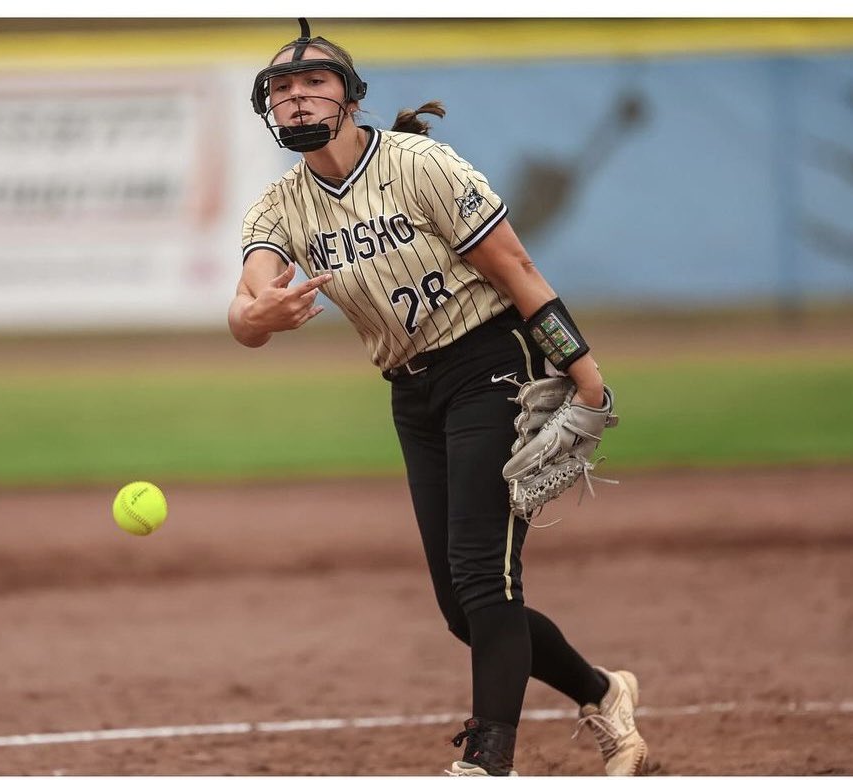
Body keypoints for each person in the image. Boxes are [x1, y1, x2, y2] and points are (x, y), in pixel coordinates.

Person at [228, 20, 649, 777]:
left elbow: (515, 266)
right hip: (412, 394)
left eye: (312, 84)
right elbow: (249, 296)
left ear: (352, 98)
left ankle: (486, 765)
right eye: (281, 91)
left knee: (485, 578)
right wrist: (256, 313)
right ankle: (602, 692)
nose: (295, 100)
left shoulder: (419, 165)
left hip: (492, 364)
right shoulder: (281, 206)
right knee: (465, 609)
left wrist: (584, 375)